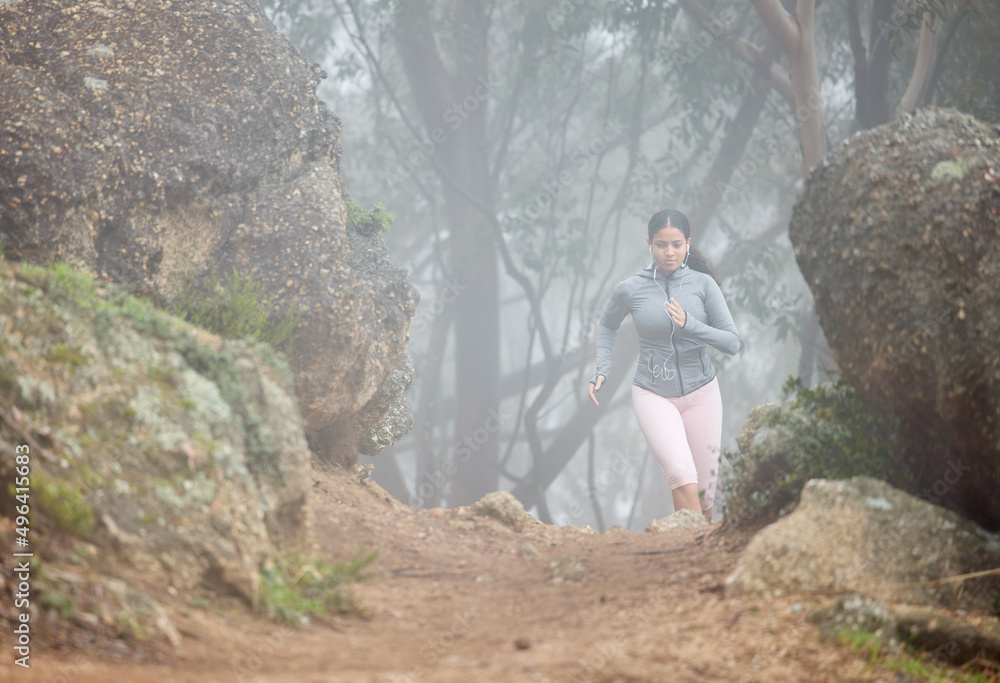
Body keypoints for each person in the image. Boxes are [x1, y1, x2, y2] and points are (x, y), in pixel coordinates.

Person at [588, 209, 740, 521]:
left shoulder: (704, 285)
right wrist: (602, 368)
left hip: (703, 394)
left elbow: (732, 342)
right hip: (653, 394)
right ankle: (695, 552)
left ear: (687, 244)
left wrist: (691, 324)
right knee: (682, 474)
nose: (668, 252)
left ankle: (699, 561)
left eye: (675, 244)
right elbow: (606, 326)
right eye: (661, 245)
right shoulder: (630, 288)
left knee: (705, 495)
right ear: (649, 244)